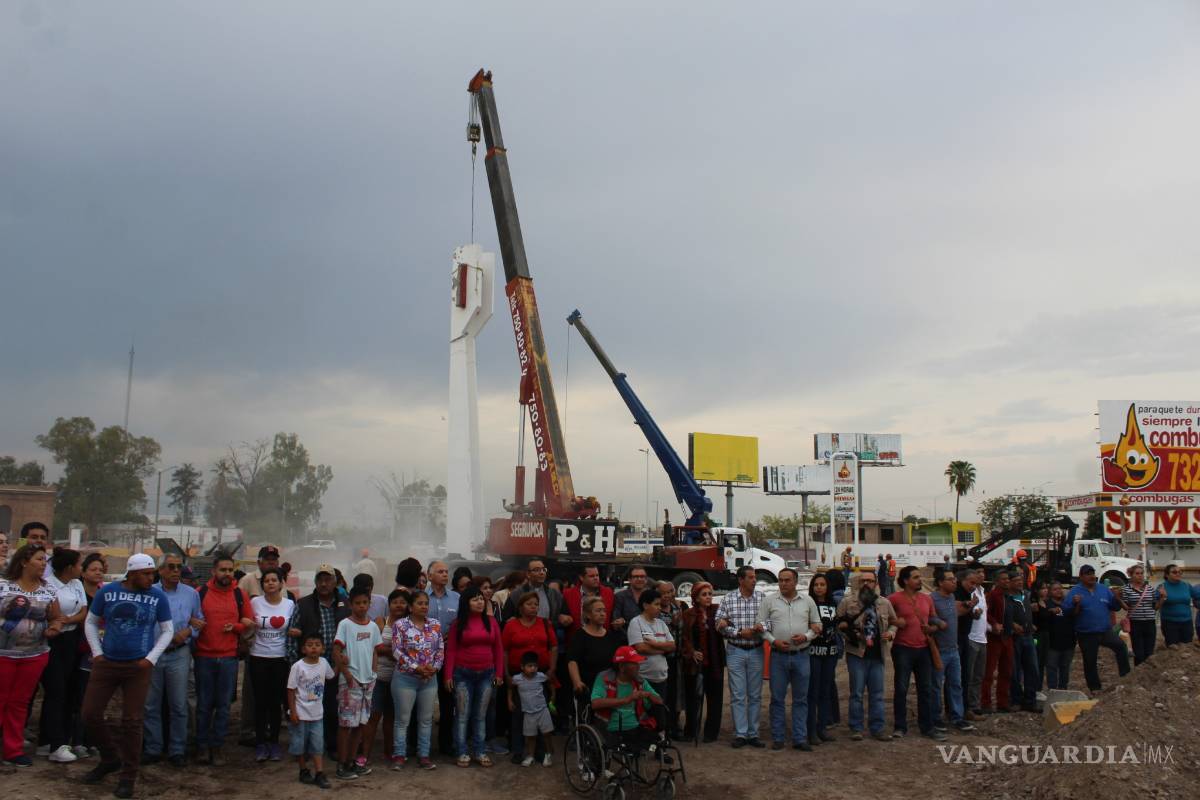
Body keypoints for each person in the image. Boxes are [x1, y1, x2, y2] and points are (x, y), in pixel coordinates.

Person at [81, 553, 173, 798]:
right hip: (107, 662)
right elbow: (90, 622)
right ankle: (110, 757)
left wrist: (150, 659)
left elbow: (167, 630)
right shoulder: (108, 592)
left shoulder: (157, 596)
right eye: (146, 573)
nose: (151, 578)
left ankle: (128, 776)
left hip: (138, 666)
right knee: (90, 713)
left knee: (132, 721)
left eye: (152, 573)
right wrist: (97, 652)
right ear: (132, 573)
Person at [1, 544, 64, 767]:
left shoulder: (48, 590)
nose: (43, 564)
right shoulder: (3, 586)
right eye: (39, 559)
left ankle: (13, 750)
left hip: (34, 655)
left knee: (19, 703)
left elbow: (56, 617)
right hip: (3, 655)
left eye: (45, 561)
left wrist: (54, 628)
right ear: (24, 561)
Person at [143, 552, 202, 768]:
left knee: (179, 704)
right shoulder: (149, 592)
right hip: (153, 653)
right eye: (171, 567)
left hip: (179, 653)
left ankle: (177, 749)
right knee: (151, 704)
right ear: (161, 571)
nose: (176, 571)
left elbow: (199, 620)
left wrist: (187, 633)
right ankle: (153, 748)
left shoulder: (190, 594)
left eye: (179, 567)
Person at [194, 555, 253, 766]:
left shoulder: (239, 594)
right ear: (213, 571)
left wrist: (235, 627)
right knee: (203, 705)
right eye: (223, 570)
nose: (227, 574)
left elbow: (248, 621)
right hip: (204, 657)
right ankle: (201, 746)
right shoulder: (200, 593)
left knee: (224, 706)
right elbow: (190, 618)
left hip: (229, 658)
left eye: (230, 570)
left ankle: (217, 746)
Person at [287, 565, 350, 757]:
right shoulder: (304, 604)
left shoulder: (345, 604)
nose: (324, 584)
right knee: (307, 708)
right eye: (320, 580)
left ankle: (330, 746)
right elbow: (292, 634)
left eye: (328, 579)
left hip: (334, 666)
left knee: (332, 708)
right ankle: (307, 748)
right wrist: (294, 665)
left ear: (335, 582)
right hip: (310, 668)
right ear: (315, 582)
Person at [756, 567, 821, 751]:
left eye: (787, 580)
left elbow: (817, 625)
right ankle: (778, 737)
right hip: (778, 656)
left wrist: (806, 637)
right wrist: (773, 641)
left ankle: (799, 738)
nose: (783, 584)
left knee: (801, 699)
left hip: (802, 655)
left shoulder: (807, 601)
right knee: (777, 699)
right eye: (780, 580)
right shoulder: (769, 601)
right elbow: (760, 626)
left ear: (795, 582)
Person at [444, 585, 504, 767]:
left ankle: (480, 751)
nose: (479, 602)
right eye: (475, 599)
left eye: (481, 599)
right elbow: (452, 650)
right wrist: (448, 675)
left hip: (487, 674)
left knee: (480, 715)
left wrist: (499, 673)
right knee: (462, 715)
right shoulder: (457, 624)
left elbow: (498, 649)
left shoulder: (491, 622)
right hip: (463, 674)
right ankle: (462, 751)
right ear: (466, 602)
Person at [39, 547, 88, 763]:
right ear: (69, 567)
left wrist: (68, 620)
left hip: (72, 639)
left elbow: (83, 611)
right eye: (79, 564)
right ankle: (54, 744)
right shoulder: (48, 585)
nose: (81, 568)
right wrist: (61, 621)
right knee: (55, 690)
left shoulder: (77, 584)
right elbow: (51, 614)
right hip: (54, 641)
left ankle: (50, 739)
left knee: (67, 690)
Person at [836, 570, 896, 741]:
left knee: (877, 693)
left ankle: (877, 728)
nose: (865, 584)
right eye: (862, 581)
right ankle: (856, 728)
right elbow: (838, 623)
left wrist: (891, 634)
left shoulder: (884, 603)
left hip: (878, 654)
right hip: (857, 654)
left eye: (869, 581)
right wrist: (850, 635)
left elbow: (894, 622)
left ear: (876, 583)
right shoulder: (848, 602)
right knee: (856, 693)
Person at [887, 565, 945, 741]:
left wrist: (934, 627)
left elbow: (933, 619)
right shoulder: (894, 599)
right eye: (915, 577)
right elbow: (884, 617)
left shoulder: (927, 599)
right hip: (903, 648)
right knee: (901, 688)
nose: (920, 580)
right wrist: (896, 622)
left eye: (920, 577)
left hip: (924, 649)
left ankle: (927, 726)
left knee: (925, 689)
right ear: (905, 580)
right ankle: (900, 726)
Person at [501, 591, 557, 763]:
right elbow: (504, 650)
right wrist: (506, 674)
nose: (534, 607)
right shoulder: (511, 626)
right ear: (520, 607)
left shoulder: (545, 624)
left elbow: (553, 647)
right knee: (519, 714)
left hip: (541, 675)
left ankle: (540, 750)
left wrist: (552, 670)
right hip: (518, 675)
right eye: (529, 604)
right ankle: (518, 749)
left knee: (540, 711)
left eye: (536, 604)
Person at [391, 589, 443, 771]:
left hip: (429, 679)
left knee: (426, 719)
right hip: (406, 678)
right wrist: (417, 668)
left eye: (426, 603)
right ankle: (399, 755)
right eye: (420, 603)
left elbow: (440, 650)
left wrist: (434, 668)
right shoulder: (400, 625)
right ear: (411, 607)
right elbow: (397, 651)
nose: (424, 606)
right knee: (402, 719)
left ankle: (424, 755)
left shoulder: (435, 625)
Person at [332, 586, 380, 780]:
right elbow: (336, 651)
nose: (361, 607)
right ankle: (342, 764)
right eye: (357, 603)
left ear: (369, 604)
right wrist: (346, 674)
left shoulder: (373, 627)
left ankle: (352, 761)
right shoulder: (345, 624)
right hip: (350, 682)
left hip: (367, 682)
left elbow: (375, 651)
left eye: (365, 603)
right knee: (345, 724)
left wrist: (374, 673)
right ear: (351, 604)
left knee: (360, 724)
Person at [248, 567, 295, 762]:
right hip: (258, 657)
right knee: (260, 702)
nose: (270, 583)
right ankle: (260, 743)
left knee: (276, 702)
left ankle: (274, 743)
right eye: (267, 580)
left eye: (274, 580)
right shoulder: (255, 603)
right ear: (262, 585)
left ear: (281, 583)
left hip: (280, 659)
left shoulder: (290, 604)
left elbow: (294, 628)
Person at [238, 544, 283, 746]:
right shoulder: (247, 581)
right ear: (259, 562)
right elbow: (237, 608)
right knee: (252, 692)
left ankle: (269, 729)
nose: (271, 562)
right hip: (253, 646)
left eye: (274, 559)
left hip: (277, 651)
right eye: (267, 559)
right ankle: (248, 730)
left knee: (273, 693)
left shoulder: (283, 586)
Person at [716, 565, 765, 748]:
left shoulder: (762, 598)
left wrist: (761, 628)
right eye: (751, 577)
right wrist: (738, 633)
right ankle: (741, 734)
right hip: (736, 649)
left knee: (755, 694)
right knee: (737, 694)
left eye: (755, 577)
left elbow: (770, 620)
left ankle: (753, 733)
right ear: (741, 579)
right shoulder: (728, 599)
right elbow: (718, 623)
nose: (754, 580)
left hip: (756, 649)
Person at [1065, 565, 1130, 693]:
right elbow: (1067, 611)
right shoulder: (1075, 591)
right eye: (1087, 574)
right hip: (1086, 633)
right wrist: (1074, 603)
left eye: (1093, 573)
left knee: (1121, 647)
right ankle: (1095, 688)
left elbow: (1115, 607)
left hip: (1105, 631)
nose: (1091, 576)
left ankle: (1125, 677)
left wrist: (1117, 598)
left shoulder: (1103, 589)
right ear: (1081, 577)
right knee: (1090, 660)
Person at [589, 646, 668, 750]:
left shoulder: (639, 680)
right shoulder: (604, 678)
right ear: (622, 667)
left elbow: (659, 701)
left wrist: (648, 695)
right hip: (610, 729)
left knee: (658, 741)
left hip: (636, 727)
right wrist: (627, 699)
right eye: (634, 663)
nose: (638, 666)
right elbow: (595, 703)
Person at [360, 589, 406, 766]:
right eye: (395, 602)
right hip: (378, 677)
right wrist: (394, 652)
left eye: (402, 602)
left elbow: (409, 652)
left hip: (399, 679)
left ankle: (389, 753)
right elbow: (375, 647)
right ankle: (365, 754)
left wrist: (389, 651)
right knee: (373, 717)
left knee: (391, 719)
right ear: (389, 605)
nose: (399, 605)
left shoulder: (409, 625)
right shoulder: (381, 621)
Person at [287, 633, 335, 789]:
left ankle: (320, 773)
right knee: (299, 744)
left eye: (317, 645)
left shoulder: (324, 663)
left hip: (317, 714)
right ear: (303, 649)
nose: (313, 648)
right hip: (300, 714)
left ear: (322, 648)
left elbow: (331, 676)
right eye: (310, 644)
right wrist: (293, 712)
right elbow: (291, 690)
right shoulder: (298, 666)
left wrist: (341, 664)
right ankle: (303, 770)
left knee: (317, 744)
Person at [930, 569, 974, 732]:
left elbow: (956, 613)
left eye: (955, 579)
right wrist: (937, 621)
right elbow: (927, 617)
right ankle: (936, 718)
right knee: (936, 685)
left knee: (956, 684)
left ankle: (957, 717)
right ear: (941, 582)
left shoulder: (952, 597)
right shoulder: (932, 599)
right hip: (939, 650)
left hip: (953, 649)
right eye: (950, 580)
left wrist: (970, 607)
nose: (954, 582)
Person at [73, 553, 107, 758]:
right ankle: (76, 740)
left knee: (98, 700)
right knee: (80, 698)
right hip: (80, 651)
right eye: (93, 569)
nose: (98, 572)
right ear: (83, 572)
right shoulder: (77, 594)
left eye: (101, 569)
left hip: (100, 654)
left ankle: (91, 739)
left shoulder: (106, 593)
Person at [426, 560, 459, 758]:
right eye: (440, 572)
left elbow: (462, 624)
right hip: (424, 657)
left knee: (448, 702)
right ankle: (418, 745)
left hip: (449, 656)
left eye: (446, 572)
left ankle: (446, 744)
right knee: (422, 702)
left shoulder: (456, 598)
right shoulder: (421, 598)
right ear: (429, 576)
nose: (445, 575)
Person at [805, 572, 841, 745]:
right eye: (816, 584)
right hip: (813, 654)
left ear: (827, 587)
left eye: (822, 584)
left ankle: (822, 728)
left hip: (830, 653)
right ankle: (810, 730)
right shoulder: (807, 604)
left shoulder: (834, 604)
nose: (819, 587)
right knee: (813, 692)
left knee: (826, 691)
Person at [567, 596, 624, 706]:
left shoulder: (610, 635)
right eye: (598, 611)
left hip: (609, 688)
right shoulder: (579, 636)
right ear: (588, 614)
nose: (602, 614)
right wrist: (577, 682)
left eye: (604, 610)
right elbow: (572, 661)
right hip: (588, 687)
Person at [510, 651, 555, 767]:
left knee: (547, 734)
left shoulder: (541, 676)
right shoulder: (517, 679)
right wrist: (509, 700)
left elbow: (550, 683)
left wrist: (552, 697)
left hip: (542, 710)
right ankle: (530, 756)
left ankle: (548, 754)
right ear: (522, 667)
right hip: (528, 713)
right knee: (530, 736)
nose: (533, 669)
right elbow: (509, 687)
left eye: (535, 666)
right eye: (530, 666)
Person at [981, 569, 1014, 713]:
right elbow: (985, 613)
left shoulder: (1010, 596)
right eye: (1003, 579)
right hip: (995, 638)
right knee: (989, 672)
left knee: (1006, 671)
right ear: (996, 581)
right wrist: (994, 624)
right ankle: (986, 703)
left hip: (1008, 637)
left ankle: (1003, 702)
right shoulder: (993, 595)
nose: (1006, 581)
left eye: (1008, 579)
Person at [1007, 571, 1040, 713]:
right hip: (1015, 638)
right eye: (1016, 580)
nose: (1019, 582)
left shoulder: (1026, 595)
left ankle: (1030, 700)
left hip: (1028, 636)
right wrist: (1012, 625)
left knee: (1032, 668)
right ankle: (1016, 699)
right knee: (1014, 670)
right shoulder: (1007, 597)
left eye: (1021, 580)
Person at [955, 569, 986, 719]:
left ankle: (966, 708)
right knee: (960, 676)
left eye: (975, 583)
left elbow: (967, 613)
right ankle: (959, 710)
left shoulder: (969, 594)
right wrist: (970, 606)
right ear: (962, 580)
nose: (973, 586)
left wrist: (974, 613)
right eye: (971, 582)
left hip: (966, 637)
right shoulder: (957, 593)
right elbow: (957, 611)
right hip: (957, 639)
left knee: (969, 675)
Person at [1119, 564, 1160, 665]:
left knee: (1149, 650)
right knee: (1138, 651)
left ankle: (1148, 673)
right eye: (1137, 573)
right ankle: (1139, 671)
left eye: (1141, 573)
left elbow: (1155, 606)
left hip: (1150, 622)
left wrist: (1163, 598)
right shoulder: (1126, 589)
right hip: (1136, 622)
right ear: (1131, 575)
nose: (1140, 576)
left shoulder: (1149, 588)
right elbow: (1126, 607)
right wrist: (1118, 598)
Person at [562, 564, 614, 639]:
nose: (596, 578)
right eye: (592, 576)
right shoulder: (568, 594)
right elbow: (562, 615)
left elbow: (612, 616)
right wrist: (563, 617)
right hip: (577, 639)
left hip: (603, 639)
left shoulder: (608, 593)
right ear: (581, 577)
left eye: (597, 575)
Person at [1042, 582, 1075, 689]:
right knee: (1051, 668)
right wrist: (1049, 612)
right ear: (1050, 592)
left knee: (1065, 668)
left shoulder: (1068, 603)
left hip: (1068, 642)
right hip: (1052, 643)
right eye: (1055, 589)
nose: (1059, 591)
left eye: (1060, 588)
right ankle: (1052, 690)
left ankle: (1063, 689)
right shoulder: (1046, 604)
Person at [1157, 563, 1195, 645]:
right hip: (1170, 623)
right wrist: (1163, 597)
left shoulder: (1186, 585)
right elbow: (1156, 606)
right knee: (1173, 649)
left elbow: (1196, 596)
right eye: (1174, 572)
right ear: (1167, 575)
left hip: (1187, 622)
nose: (1178, 574)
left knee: (1187, 648)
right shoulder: (1162, 587)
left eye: (1180, 572)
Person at [611, 565, 649, 631]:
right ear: (629, 579)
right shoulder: (620, 596)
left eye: (642, 576)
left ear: (646, 579)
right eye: (636, 577)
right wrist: (621, 621)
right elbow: (615, 622)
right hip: (627, 637)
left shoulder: (653, 596)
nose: (639, 579)